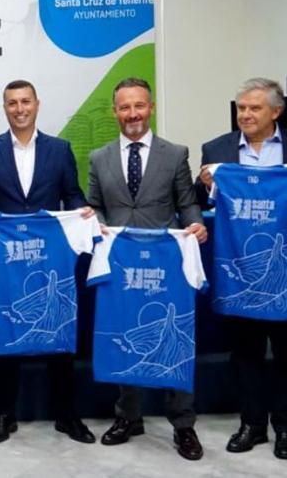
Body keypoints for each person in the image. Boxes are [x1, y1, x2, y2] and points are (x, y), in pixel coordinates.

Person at [196, 78, 287, 460]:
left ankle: (286, 429)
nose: (245, 115)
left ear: (276, 112)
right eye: (241, 108)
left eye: (254, 108)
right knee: (245, 352)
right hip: (241, 271)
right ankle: (251, 425)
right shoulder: (216, 150)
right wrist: (205, 184)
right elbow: (199, 199)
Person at [0, 80, 97, 445]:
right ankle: (4, 414)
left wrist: (81, 212)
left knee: (58, 332)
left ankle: (67, 416)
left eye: (26, 102)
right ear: (4, 107)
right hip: (7, 260)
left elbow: (72, 194)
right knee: (8, 331)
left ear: (37, 104)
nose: (20, 109)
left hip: (51, 259)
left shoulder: (60, 149)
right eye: (12, 103)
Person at [87, 77, 208, 460]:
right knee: (127, 334)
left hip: (165, 263)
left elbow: (187, 202)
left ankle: (183, 425)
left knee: (173, 338)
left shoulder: (175, 154)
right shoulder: (98, 157)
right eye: (125, 107)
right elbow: (95, 204)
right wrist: (98, 223)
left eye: (139, 106)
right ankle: (128, 417)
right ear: (115, 112)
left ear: (150, 108)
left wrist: (196, 224)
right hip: (120, 263)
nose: (132, 114)